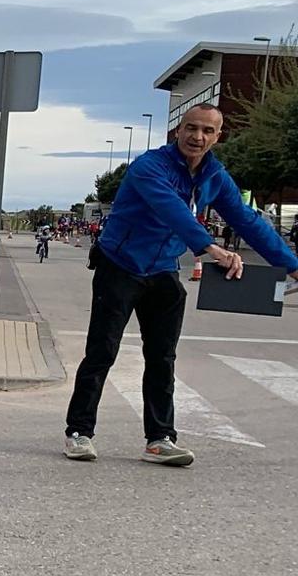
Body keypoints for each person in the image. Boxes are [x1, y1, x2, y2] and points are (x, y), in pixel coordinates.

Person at [65, 103, 298, 465]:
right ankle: (79, 433)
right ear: (178, 131)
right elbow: (169, 209)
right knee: (102, 352)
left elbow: (249, 221)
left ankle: (159, 440)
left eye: (207, 131)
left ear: (218, 137)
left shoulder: (214, 176)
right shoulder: (149, 167)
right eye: (191, 128)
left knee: (162, 357)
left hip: (163, 270)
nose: (198, 136)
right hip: (121, 266)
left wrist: (293, 266)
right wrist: (209, 247)